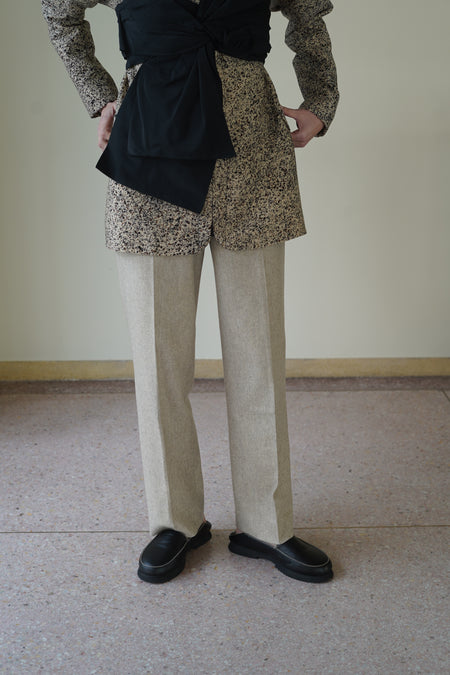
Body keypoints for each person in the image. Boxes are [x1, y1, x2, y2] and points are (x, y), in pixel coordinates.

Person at [42, 0, 339, 584]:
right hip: (150, 157)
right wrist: (99, 95)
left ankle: (266, 525)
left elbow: (309, 15)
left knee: (259, 356)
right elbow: (59, 10)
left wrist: (321, 102)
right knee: (158, 359)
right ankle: (174, 521)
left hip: (251, 161)